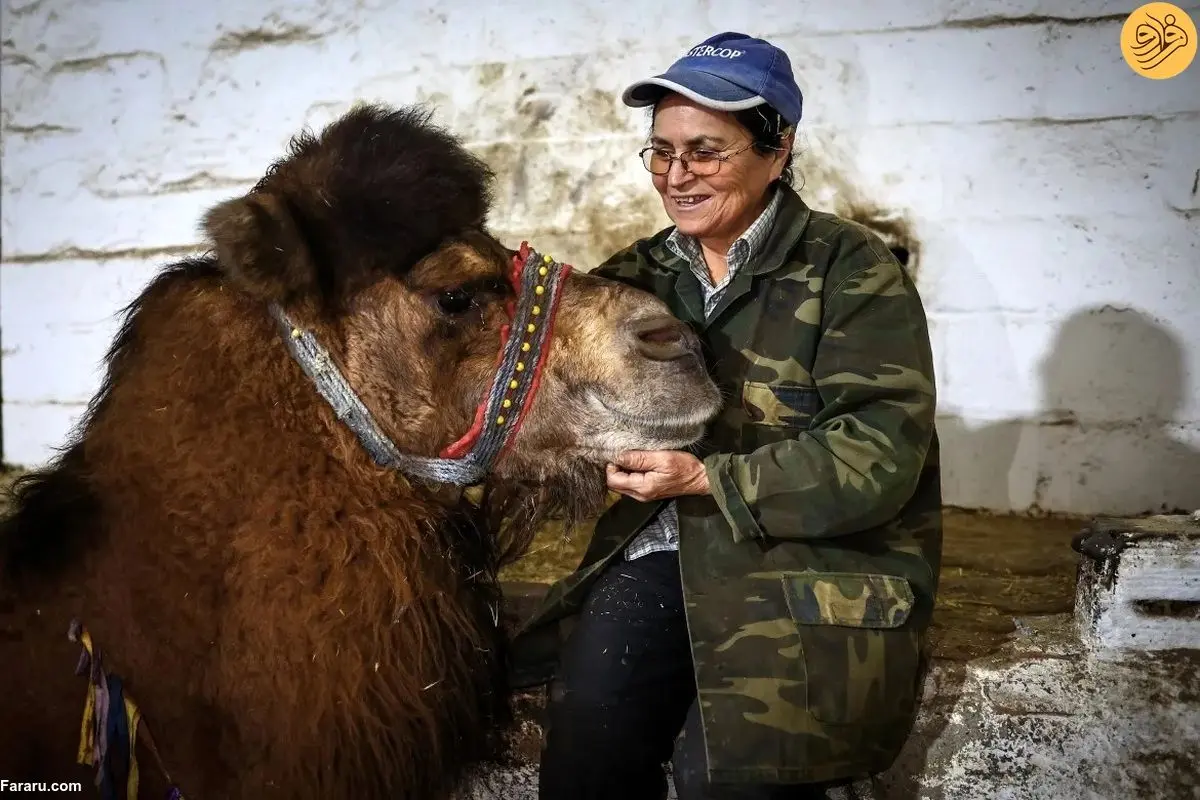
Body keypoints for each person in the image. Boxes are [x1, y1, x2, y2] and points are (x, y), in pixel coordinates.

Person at [508, 31, 943, 800]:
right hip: (668, 553)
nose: (677, 176)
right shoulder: (640, 275)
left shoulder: (851, 270)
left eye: (705, 152)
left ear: (778, 148)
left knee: (729, 779)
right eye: (662, 152)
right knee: (586, 747)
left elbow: (877, 454)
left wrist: (707, 479)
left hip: (810, 566)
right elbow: (543, 382)